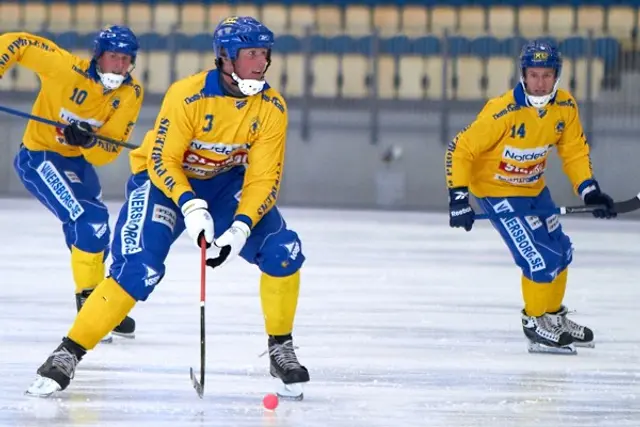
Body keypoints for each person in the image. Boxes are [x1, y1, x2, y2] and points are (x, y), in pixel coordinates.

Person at [26, 16, 309, 398]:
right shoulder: (187, 95)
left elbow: (263, 179)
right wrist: (190, 206)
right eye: (249, 54)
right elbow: (163, 162)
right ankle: (68, 352)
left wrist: (241, 227)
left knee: (283, 250)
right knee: (138, 268)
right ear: (225, 57)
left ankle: (280, 348)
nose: (259, 63)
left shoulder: (272, 107)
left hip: (226, 187)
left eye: (263, 53)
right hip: (162, 185)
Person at [445, 40, 616, 354]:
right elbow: (461, 149)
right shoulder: (503, 110)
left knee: (562, 251)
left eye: (547, 75)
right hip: (498, 193)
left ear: (557, 76)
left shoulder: (565, 107)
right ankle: (534, 323)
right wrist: (458, 198)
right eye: (534, 75)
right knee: (539, 258)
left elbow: (574, 150)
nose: (540, 83)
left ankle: (552, 316)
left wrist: (589, 189)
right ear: (523, 74)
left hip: (535, 189)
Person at [0, 26, 143, 342]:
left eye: (125, 59)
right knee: (90, 221)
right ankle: (92, 306)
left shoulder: (130, 94)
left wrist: (88, 140)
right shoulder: (64, 67)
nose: (119, 66)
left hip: (79, 164)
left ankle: (96, 306)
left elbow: (107, 154)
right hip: (40, 157)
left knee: (96, 230)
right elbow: (16, 42)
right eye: (113, 57)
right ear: (98, 55)